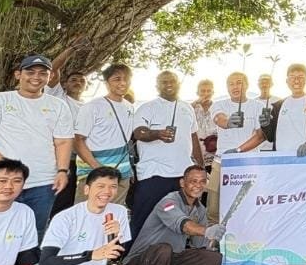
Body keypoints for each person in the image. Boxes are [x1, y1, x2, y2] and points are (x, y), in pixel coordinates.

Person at [0, 54, 73, 236]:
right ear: (18, 74)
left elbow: (63, 141)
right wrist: (6, 166)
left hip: (42, 183)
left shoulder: (58, 106)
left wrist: (62, 171)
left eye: (42, 73)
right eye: (30, 72)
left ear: (50, 77)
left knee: (32, 234)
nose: (36, 77)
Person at [121, 166, 223, 265]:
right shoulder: (168, 202)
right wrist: (206, 231)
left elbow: (200, 244)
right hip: (139, 264)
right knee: (163, 249)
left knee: (213, 258)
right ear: (182, 183)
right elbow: (183, 225)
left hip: (169, 260)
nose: (198, 185)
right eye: (193, 181)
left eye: (202, 181)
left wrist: (216, 238)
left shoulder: (199, 209)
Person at [131, 71, 202, 240]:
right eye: (163, 81)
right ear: (157, 86)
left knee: (178, 218)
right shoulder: (147, 107)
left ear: (179, 84)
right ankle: (131, 256)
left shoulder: (187, 107)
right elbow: (138, 133)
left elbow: (193, 137)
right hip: (154, 174)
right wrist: (157, 134)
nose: (168, 84)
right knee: (144, 217)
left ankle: (171, 255)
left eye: (172, 81)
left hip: (182, 175)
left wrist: (200, 166)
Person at [72, 64, 135, 205]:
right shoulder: (92, 107)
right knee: (85, 217)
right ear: (107, 83)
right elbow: (77, 140)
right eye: (117, 79)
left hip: (121, 175)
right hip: (93, 175)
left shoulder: (130, 107)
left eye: (126, 79)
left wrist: (128, 170)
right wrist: (98, 168)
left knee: (113, 217)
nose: (123, 83)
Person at [207, 73, 267, 220]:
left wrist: (238, 151)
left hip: (249, 164)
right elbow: (219, 119)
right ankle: (211, 241)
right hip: (221, 162)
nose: (235, 87)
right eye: (231, 84)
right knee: (214, 207)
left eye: (239, 82)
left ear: (246, 85)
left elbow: (261, 136)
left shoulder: (258, 106)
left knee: (248, 204)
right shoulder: (219, 104)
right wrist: (229, 123)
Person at [47, 45, 86, 214]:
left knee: (66, 201)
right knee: (51, 197)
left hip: (77, 160)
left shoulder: (88, 108)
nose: (78, 83)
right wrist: (72, 48)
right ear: (65, 84)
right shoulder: (58, 96)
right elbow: (53, 68)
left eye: (81, 81)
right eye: (73, 80)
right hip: (55, 157)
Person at [264, 64, 306, 154]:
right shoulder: (278, 106)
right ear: (287, 81)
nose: (296, 81)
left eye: (300, 77)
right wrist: (265, 125)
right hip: (281, 159)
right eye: (292, 77)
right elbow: (270, 137)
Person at [193, 79, 218, 163]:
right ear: (197, 93)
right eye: (203, 91)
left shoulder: (218, 108)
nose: (206, 94)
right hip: (196, 155)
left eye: (209, 91)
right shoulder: (191, 109)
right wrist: (196, 102)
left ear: (213, 93)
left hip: (214, 155)